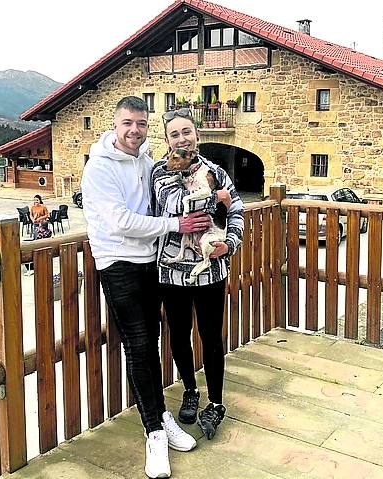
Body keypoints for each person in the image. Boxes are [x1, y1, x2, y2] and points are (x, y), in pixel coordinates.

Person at [80, 96, 211, 479]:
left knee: (150, 343)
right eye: (127, 123)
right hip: (117, 262)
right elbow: (119, 221)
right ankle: (153, 432)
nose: (134, 130)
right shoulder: (99, 168)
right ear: (115, 124)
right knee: (138, 345)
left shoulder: (146, 158)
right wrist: (176, 226)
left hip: (147, 261)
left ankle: (160, 416)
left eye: (141, 123)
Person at [151, 108, 244, 440]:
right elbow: (171, 205)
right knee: (178, 334)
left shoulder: (217, 172)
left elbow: (236, 211)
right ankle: (190, 389)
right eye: (174, 134)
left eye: (186, 132)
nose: (181, 139)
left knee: (211, 335)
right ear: (166, 140)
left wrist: (229, 243)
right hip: (172, 272)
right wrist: (213, 198)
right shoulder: (159, 174)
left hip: (211, 268)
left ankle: (216, 402)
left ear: (197, 135)